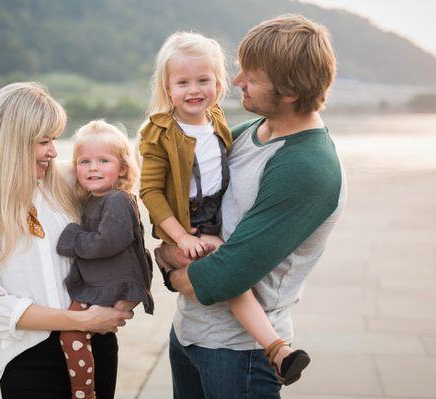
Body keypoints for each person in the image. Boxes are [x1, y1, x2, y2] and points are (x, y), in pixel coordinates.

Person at [155, 15, 347, 399]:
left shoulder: (306, 167)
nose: (238, 80)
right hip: (191, 336)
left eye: (252, 77)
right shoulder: (247, 133)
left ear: (289, 92)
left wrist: (171, 270)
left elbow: (227, 275)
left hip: (241, 357)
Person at [139, 30, 310, 388]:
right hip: (190, 220)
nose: (193, 90)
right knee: (230, 276)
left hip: (215, 214)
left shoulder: (217, 121)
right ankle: (276, 347)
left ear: (218, 84)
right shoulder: (158, 132)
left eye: (204, 80)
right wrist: (180, 237)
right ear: (167, 88)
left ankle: (277, 347)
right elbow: (150, 191)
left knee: (229, 275)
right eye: (182, 82)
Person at [0, 82, 133, 399]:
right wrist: (81, 319)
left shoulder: (66, 179)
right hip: (26, 356)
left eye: (55, 139)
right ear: (11, 142)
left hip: (94, 344)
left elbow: (126, 187)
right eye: (44, 141)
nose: (54, 151)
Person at [56, 120, 154, 399]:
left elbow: (106, 242)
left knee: (72, 333)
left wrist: (72, 237)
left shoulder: (117, 200)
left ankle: (84, 391)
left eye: (103, 160)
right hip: (102, 282)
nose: (93, 168)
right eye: (84, 161)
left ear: (122, 168)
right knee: (80, 333)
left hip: (113, 284)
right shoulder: (93, 199)